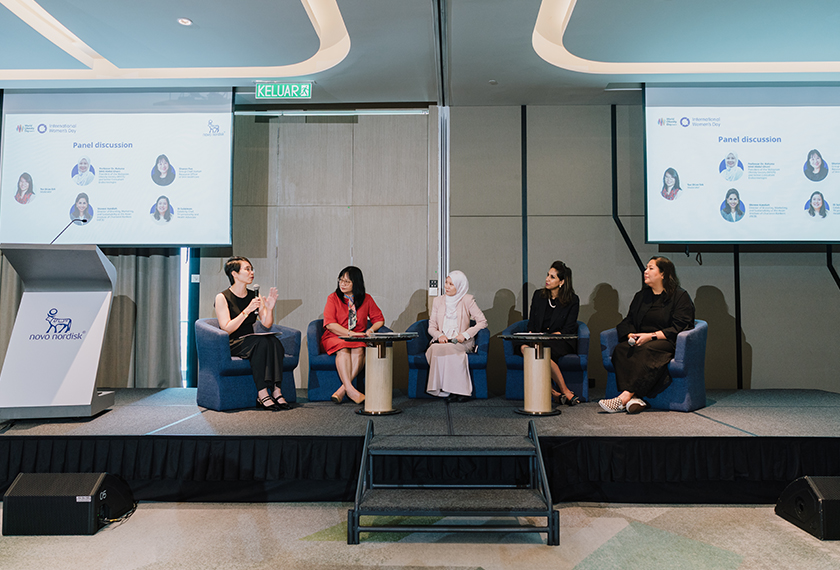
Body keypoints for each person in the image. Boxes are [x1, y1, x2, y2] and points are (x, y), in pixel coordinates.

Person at [599, 256, 695, 414]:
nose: (646, 271)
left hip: (665, 341)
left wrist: (650, 336)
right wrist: (631, 334)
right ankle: (635, 398)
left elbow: (680, 326)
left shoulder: (679, 296)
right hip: (641, 339)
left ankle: (623, 397)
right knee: (621, 349)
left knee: (646, 350)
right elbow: (628, 320)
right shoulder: (641, 296)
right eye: (646, 268)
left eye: (651, 268)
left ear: (663, 274)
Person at [214, 256, 289, 410]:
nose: (251, 272)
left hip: (251, 341)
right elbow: (226, 328)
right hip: (234, 342)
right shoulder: (222, 297)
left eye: (251, 269)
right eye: (247, 269)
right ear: (234, 274)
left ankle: (276, 391)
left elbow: (267, 324)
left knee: (274, 342)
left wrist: (269, 308)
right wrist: (247, 311)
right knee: (261, 343)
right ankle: (262, 393)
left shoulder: (255, 296)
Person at [515, 261, 581, 405]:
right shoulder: (539, 295)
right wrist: (533, 332)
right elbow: (531, 322)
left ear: (562, 282)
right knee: (524, 348)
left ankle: (563, 391)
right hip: (538, 339)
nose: (547, 279)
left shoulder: (572, 300)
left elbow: (569, 328)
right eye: (547, 275)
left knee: (539, 351)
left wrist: (550, 336)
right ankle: (556, 392)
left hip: (560, 340)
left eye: (552, 277)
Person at [320, 266, 384, 404]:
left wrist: (371, 330)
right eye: (341, 280)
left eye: (347, 282)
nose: (342, 284)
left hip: (357, 338)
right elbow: (330, 324)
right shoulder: (333, 298)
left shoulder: (366, 299)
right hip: (335, 336)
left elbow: (379, 319)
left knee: (360, 349)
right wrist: (350, 333)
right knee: (343, 349)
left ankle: (342, 390)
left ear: (357, 283)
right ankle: (350, 389)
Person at [425, 270, 488, 402]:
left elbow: (483, 322)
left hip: (460, 342)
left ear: (459, 286)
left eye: (451, 284)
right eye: (446, 283)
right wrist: (439, 335)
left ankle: (459, 391)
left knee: (451, 349)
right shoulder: (438, 301)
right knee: (436, 349)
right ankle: (446, 390)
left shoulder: (467, 300)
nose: (447, 286)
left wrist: (465, 335)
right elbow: (431, 327)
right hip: (441, 341)